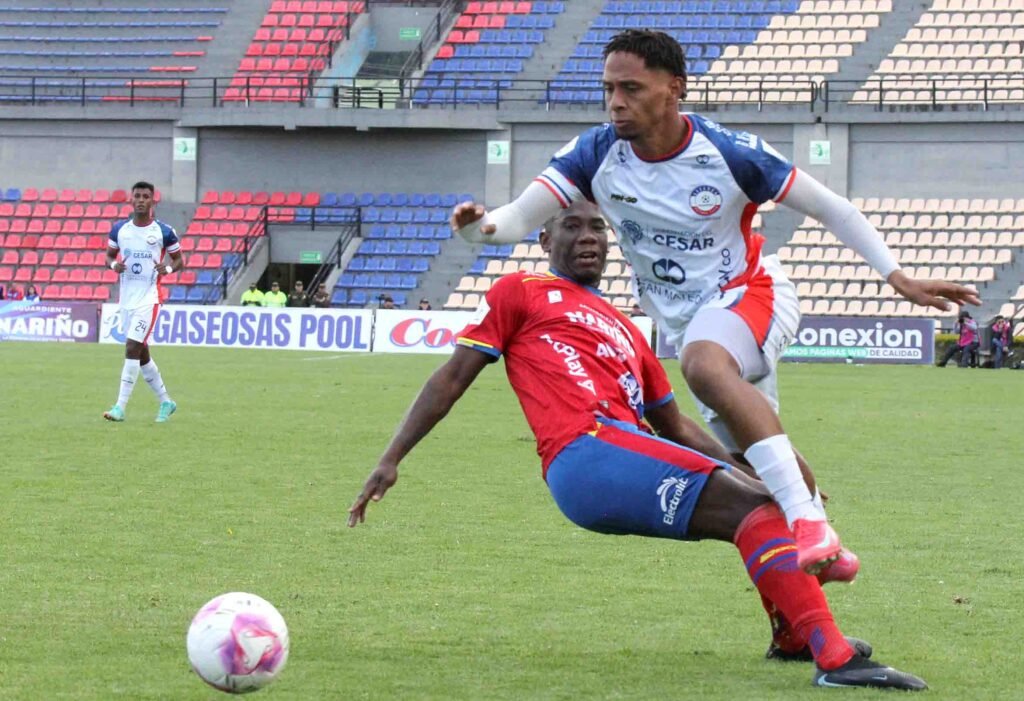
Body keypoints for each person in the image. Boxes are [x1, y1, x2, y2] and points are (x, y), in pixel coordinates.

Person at [451, 29, 980, 576]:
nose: (615, 102)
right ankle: (823, 544)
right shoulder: (594, 152)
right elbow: (514, 220)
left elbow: (833, 208)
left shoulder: (729, 153)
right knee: (752, 459)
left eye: (631, 88)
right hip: (686, 323)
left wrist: (896, 275)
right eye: (608, 89)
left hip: (751, 294)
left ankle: (806, 521)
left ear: (674, 88)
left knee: (704, 366)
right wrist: (476, 228)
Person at [350, 201, 927, 691]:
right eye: (572, 226)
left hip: (623, 446)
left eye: (597, 228)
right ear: (544, 239)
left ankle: (795, 635)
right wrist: (391, 458)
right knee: (757, 510)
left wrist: (758, 472)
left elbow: (674, 424)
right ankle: (835, 659)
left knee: (769, 503)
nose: (588, 237)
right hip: (586, 452)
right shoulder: (519, 291)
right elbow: (452, 376)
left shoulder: (626, 327)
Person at [103, 180, 182, 423]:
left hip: (150, 298)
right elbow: (109, 256)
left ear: (152, 200)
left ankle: (120, 407)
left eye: (145, 196)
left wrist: (168, 269)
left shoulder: (164, 231)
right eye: (137, 196)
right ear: (131, 199)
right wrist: (114, 265)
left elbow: (179, 260)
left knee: (131, 347)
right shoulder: (120, 230)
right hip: (127, 299)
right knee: (142, 353)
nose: (140, 200)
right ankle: (166, 402)